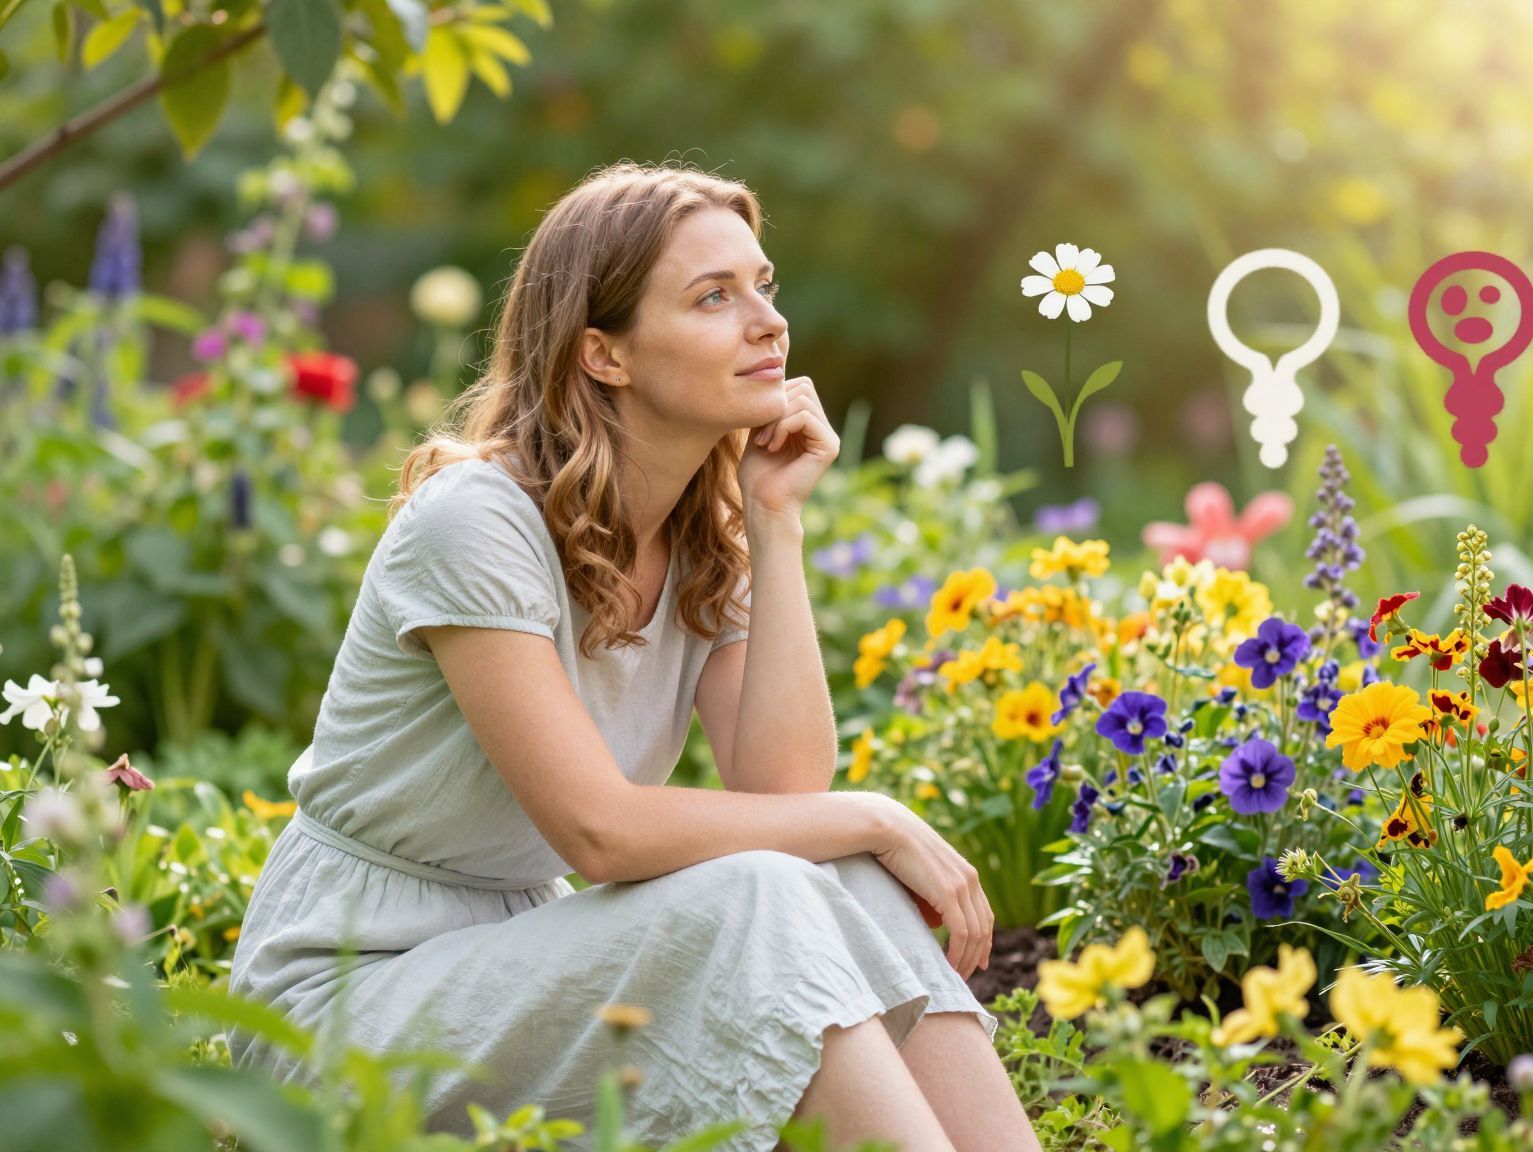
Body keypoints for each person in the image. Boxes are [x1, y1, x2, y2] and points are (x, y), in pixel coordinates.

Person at [227, 160, 1038, 1152]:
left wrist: (773, 523)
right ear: (603, 355)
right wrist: (876, 814)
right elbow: (598, 834)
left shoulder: (701, 534)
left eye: (762, 286)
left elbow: (780, 788)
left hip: (520, 955)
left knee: (845, 877)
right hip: (345, 1002)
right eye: (713, 297)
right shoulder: (478, 519)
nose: (767, 322)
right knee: (772, 884)